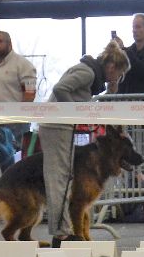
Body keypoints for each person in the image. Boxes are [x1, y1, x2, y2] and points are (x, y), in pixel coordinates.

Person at [39, 40, 130, 244]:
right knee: (59, 177)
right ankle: (60, 231)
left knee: (63, 176)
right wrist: (76, 112)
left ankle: (61, 229)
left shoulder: (89, 72)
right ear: (112, 67)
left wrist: (111, 91)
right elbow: (61, 89)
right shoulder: (87, 73)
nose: (118, 78)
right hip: (57, 125)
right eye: (119, 74)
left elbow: (82, 100)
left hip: (60, 125)